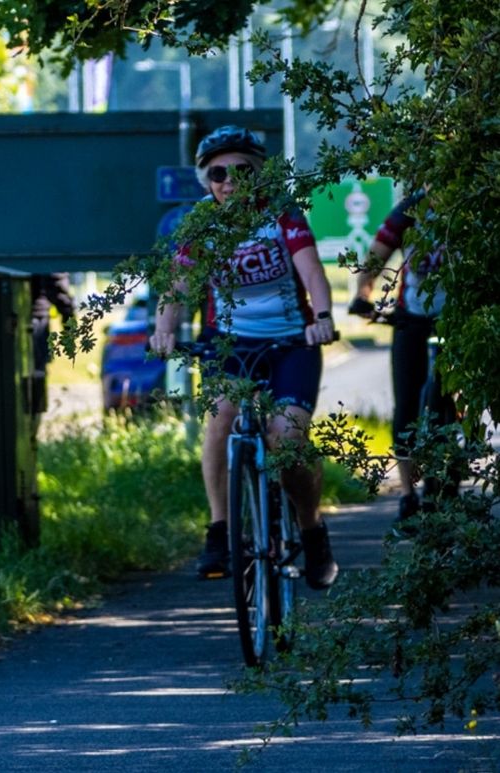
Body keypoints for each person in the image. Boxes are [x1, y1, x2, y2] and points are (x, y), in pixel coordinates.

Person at [149, 125, 340, 590]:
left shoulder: (281, 214)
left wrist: (323, 316)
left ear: (258, 174)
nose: (229, 181)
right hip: (228, 345)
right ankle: (220, 532)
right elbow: (178, 285)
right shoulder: (200, 224)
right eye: (217, 173)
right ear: (206, 181)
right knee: (221, 417)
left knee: (287, 437)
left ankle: (312, 532)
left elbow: (311, 271)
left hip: (290, 344)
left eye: (241, 170)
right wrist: (164, 330)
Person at [347, 189, 455, 532]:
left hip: (457, 319)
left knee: (445, 398)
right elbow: (375, 258)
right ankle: (409, 493)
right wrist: (363, 296)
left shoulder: (470, 209)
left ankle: (450, 466)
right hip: (412, 317)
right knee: (406, 405)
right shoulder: (407, 213)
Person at [29, 272, 76, 418]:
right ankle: (33, 422)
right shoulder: (45, 252)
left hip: (30, 313)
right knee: (37, 373)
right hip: (37, 319)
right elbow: (59, 290)